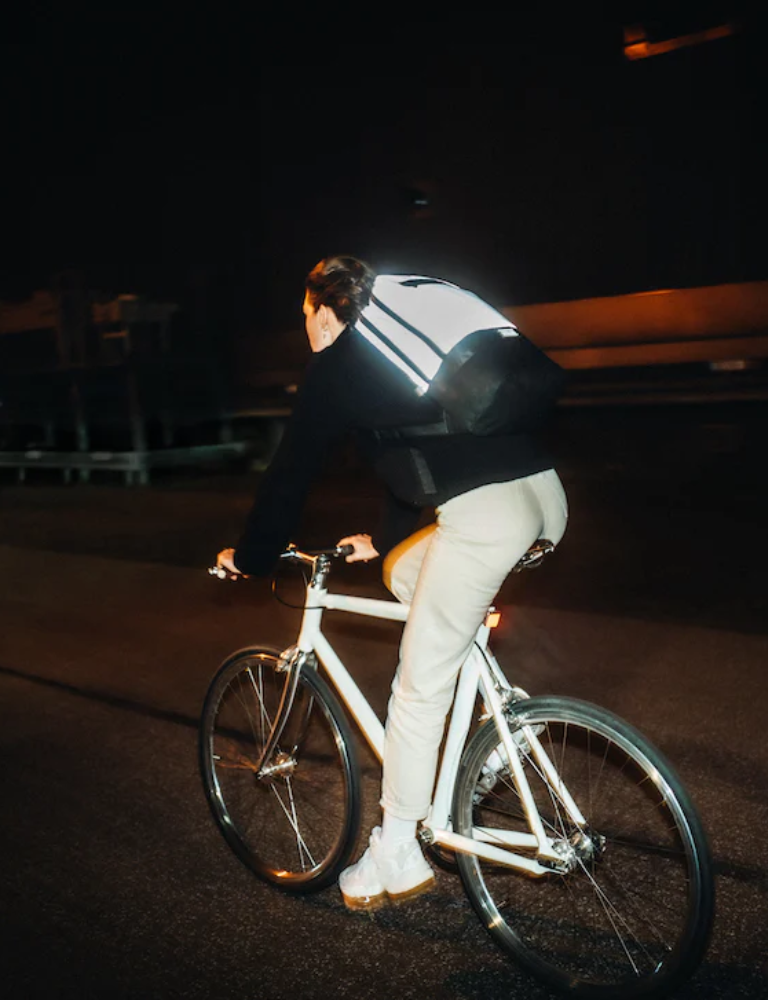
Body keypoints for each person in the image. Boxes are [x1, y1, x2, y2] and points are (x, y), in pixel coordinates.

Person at [216, 255, 567, 910]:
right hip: (544, 500)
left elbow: (291, 472)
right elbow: (422, 447)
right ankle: (499, 723)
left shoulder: (338, 363)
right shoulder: (395, 352)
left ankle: (397, 847)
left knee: (415, 687)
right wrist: (384, 537)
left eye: (305, 318)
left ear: (325, 309)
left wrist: (255, 555)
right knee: (405, 570)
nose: (307, 333)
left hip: (487, 515)